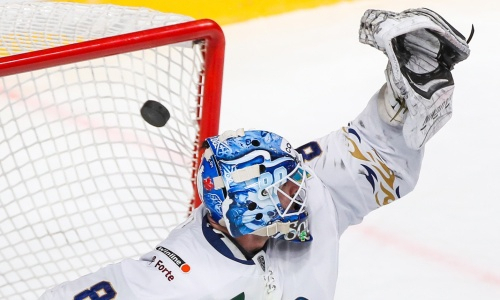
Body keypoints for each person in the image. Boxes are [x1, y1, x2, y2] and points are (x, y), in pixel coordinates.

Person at [40, 7, 471, 300]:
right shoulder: (167, 283)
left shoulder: (307, 200)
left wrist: (403, 99)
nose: (300, 190)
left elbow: (373, 156)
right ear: (251, 207)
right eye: (283, 189)